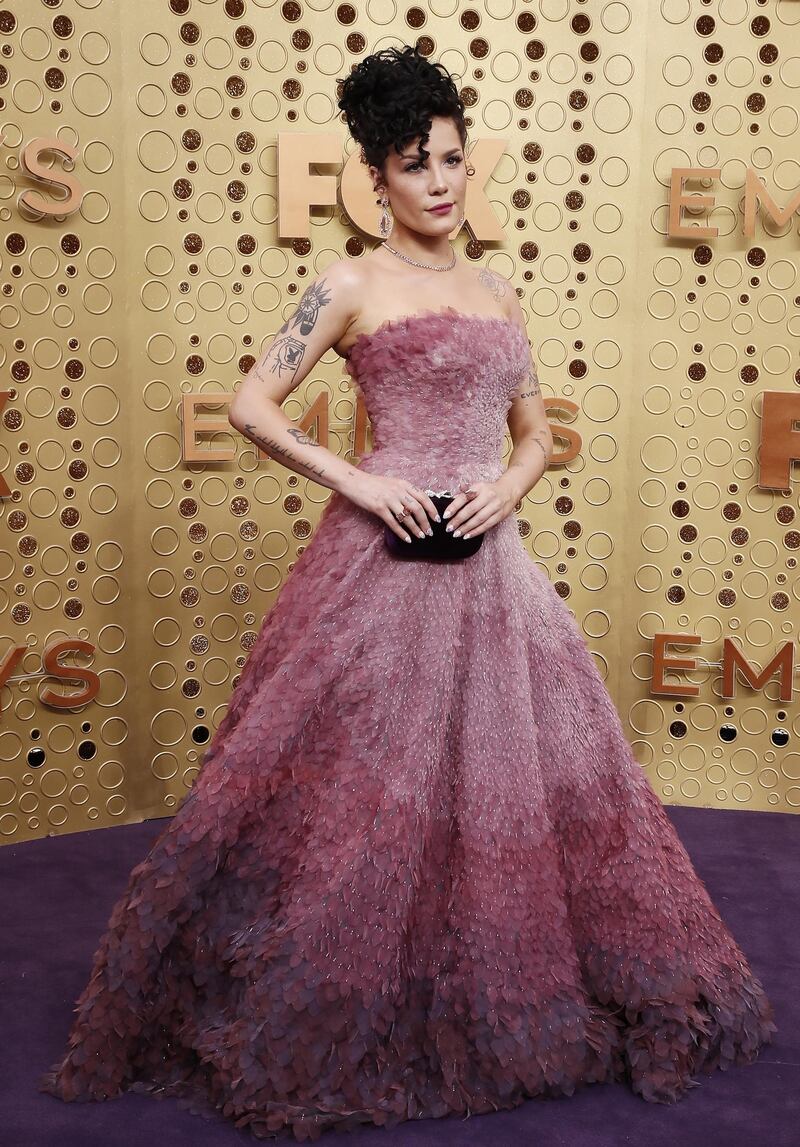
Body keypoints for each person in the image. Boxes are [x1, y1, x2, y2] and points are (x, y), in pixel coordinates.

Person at [40, 44, 776, 1142]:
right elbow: (252, 404)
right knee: (363, 791)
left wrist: (505, 491)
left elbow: (531, 433)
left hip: (493, 564)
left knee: (506, 781)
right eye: (412, 162)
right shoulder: (345, 283)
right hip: (378, 562)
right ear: (375, 178)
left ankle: (498, 985)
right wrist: (363, 481)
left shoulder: (495, 287)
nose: (438, 180)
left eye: (449, 159)